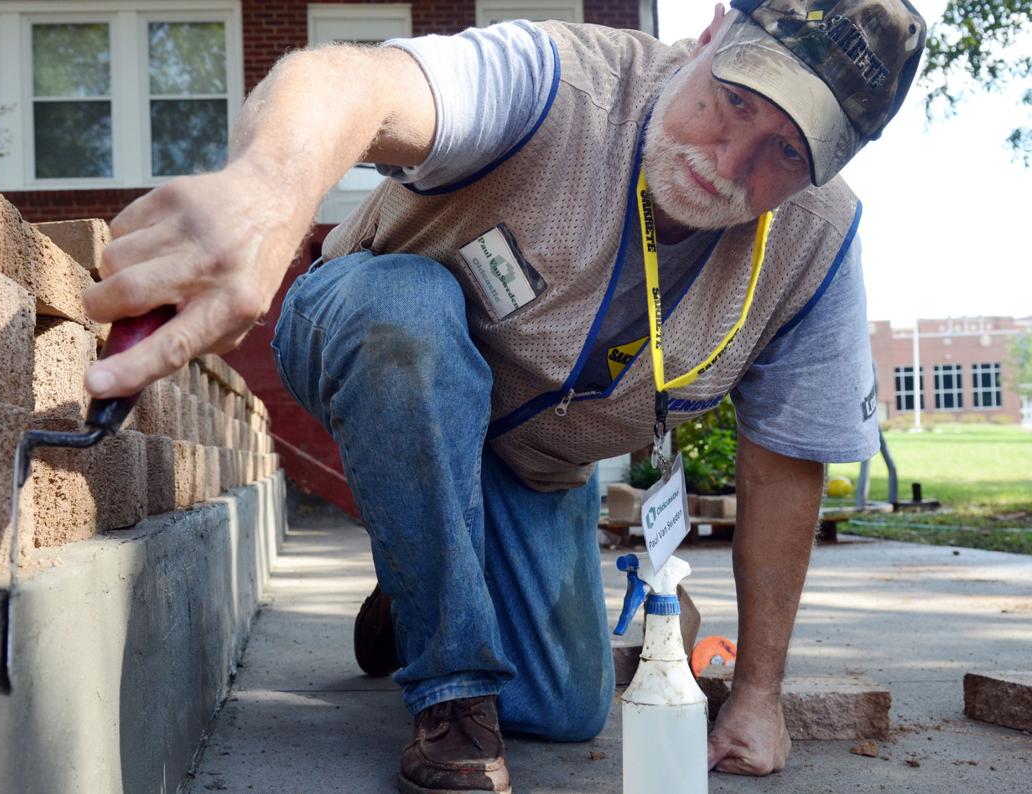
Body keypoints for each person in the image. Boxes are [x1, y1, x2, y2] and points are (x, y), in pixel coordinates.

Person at [82, 1, 926, 790]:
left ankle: (423, 567)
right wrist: (267, 190)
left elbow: (785, 463)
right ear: (707, 40)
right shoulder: (559, 80)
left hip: (533, 462)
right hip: (371, 324)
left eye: (788, 152)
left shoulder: (815, 244)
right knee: (409, 311)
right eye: (737, 104)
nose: (729, 165)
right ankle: (451, 695)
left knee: (564, 709)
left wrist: (757, 695)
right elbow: (360, 82)